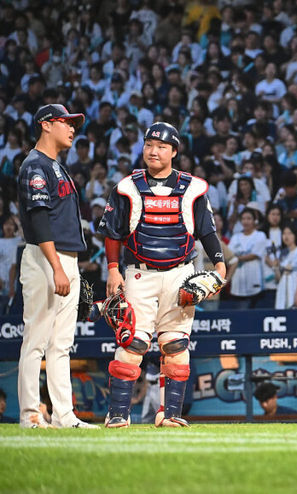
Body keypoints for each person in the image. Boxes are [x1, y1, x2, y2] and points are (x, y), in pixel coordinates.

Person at [100, 122, 227, 428]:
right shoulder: (127, 187)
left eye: (161, 147)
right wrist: (113, 269)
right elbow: (112, 233)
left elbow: (207, 231)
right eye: (148, 145)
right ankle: (118, 413)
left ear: (173, 152)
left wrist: (220, 265)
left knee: (175, 345)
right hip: (139, 274)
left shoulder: (192, 188)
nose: (153, 151)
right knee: (133, 343)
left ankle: (169, 414)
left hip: (180, 274)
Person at [17, 104, 95, 429]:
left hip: (66, 260)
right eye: (66, 122)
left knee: (61, 344)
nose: (72, 128)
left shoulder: (57, 166)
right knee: (36, 339)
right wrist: (57, 267)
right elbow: (38, 219)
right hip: (45, 258)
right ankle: (31, 414)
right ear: (46, 125)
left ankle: (65, 415)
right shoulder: (36, 165)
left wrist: (70, 266)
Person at [227, 208, 268, 307]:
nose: (246, 221)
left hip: (255, 282)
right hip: (238, 283)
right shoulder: (235, 237)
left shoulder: (260, 235)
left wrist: (237, 258)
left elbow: (254, 255)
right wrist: (234, 258)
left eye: (249, 218)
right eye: (244, 219)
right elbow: (229, 256)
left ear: (254, 221)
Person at [272, 223, 297, 309]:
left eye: (289, 233)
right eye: (284, 233)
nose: (286, 236)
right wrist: (275, 268)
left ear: (295, 235)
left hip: (296, 289)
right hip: (284, 290)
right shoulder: (282, 254)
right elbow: (279, 278)